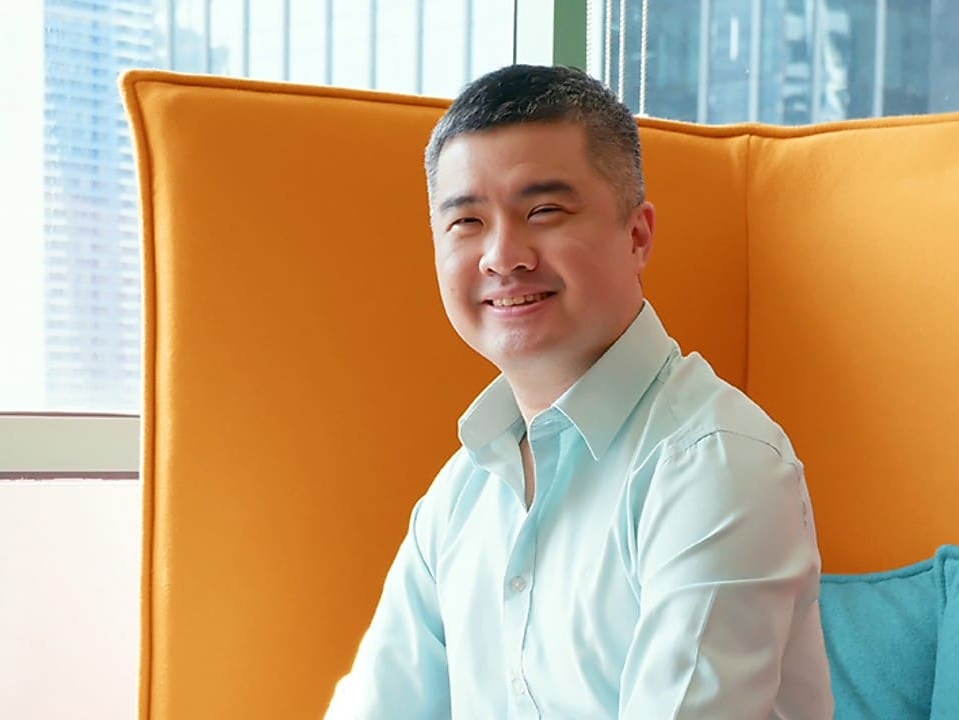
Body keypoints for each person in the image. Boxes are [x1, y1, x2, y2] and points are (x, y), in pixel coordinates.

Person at [326, 64, 832, 719]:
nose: (503, 256)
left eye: (543, 211)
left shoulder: (718, 464)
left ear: (637, 235)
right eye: (466, 223)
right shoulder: (459, 496)